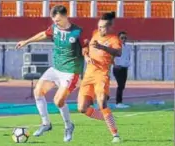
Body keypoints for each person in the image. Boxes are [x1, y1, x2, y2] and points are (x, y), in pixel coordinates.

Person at [16, 5, 85, 142]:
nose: (56, 23)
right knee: (38, 92)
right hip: (56, 69)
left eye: (58, 20)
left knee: (58, 101)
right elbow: (43, 34)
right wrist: (26, 41)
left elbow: (86, 49)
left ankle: (68, 126)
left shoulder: (78, 32)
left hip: (71, 72)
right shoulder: (54, 28)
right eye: (54, 20)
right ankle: (46, 124)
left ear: (66, 17)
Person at [78, 12, 122, 143]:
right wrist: (86, 56)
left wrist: (102, 47)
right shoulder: (94, 34)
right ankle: (107, 117)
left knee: (102, 102)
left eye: (103, 27)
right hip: (88, 75)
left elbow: (118, 52)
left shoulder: (114, 39)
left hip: (101, 75)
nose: (100, 29)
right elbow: (86, 47)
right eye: (99, 26)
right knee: (82, 109)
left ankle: (115, 135)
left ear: (109, 27)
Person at [113, 31, 131, 108]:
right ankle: (118, 102)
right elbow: (111, 56)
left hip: (124, 68)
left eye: (125, 38)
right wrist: (114, 64)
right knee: (120, 85)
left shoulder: (127, 47)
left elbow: (128, 57)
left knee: (122, 86)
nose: (124, 39)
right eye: (122, 38)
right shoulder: (115, 46)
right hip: (118, 68)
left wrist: (127, 65)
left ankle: (120, 102)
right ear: (118, 38)